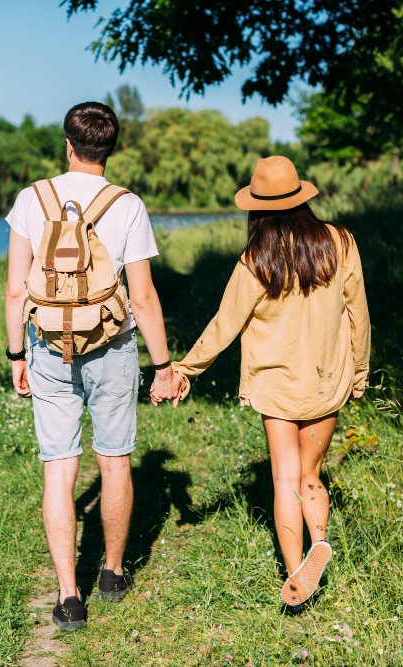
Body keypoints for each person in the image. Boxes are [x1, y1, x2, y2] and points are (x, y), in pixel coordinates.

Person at [4, 101, 183, 630]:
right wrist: (164, 365)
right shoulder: (127, 205)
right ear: (111, 147)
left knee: (60, 469)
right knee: (114, 460)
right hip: (112, 345)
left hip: (47, 346)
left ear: (68, 144)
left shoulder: (31, 200)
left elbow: (17, 289)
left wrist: (18, 354)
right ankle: (111, 571)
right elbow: (144, 298)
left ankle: (68, 596)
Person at [163, 155, 370, 610]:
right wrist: (359, 370)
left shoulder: (257, 259)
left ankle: (297, 571)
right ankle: (320, 540)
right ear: (302, 196)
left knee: (284, 479)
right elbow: (359, 310)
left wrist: (185, 369)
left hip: (277, 387)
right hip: (325, 379)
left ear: (256, 208)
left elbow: (225, 324)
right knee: (311, 474)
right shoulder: (339, 242)